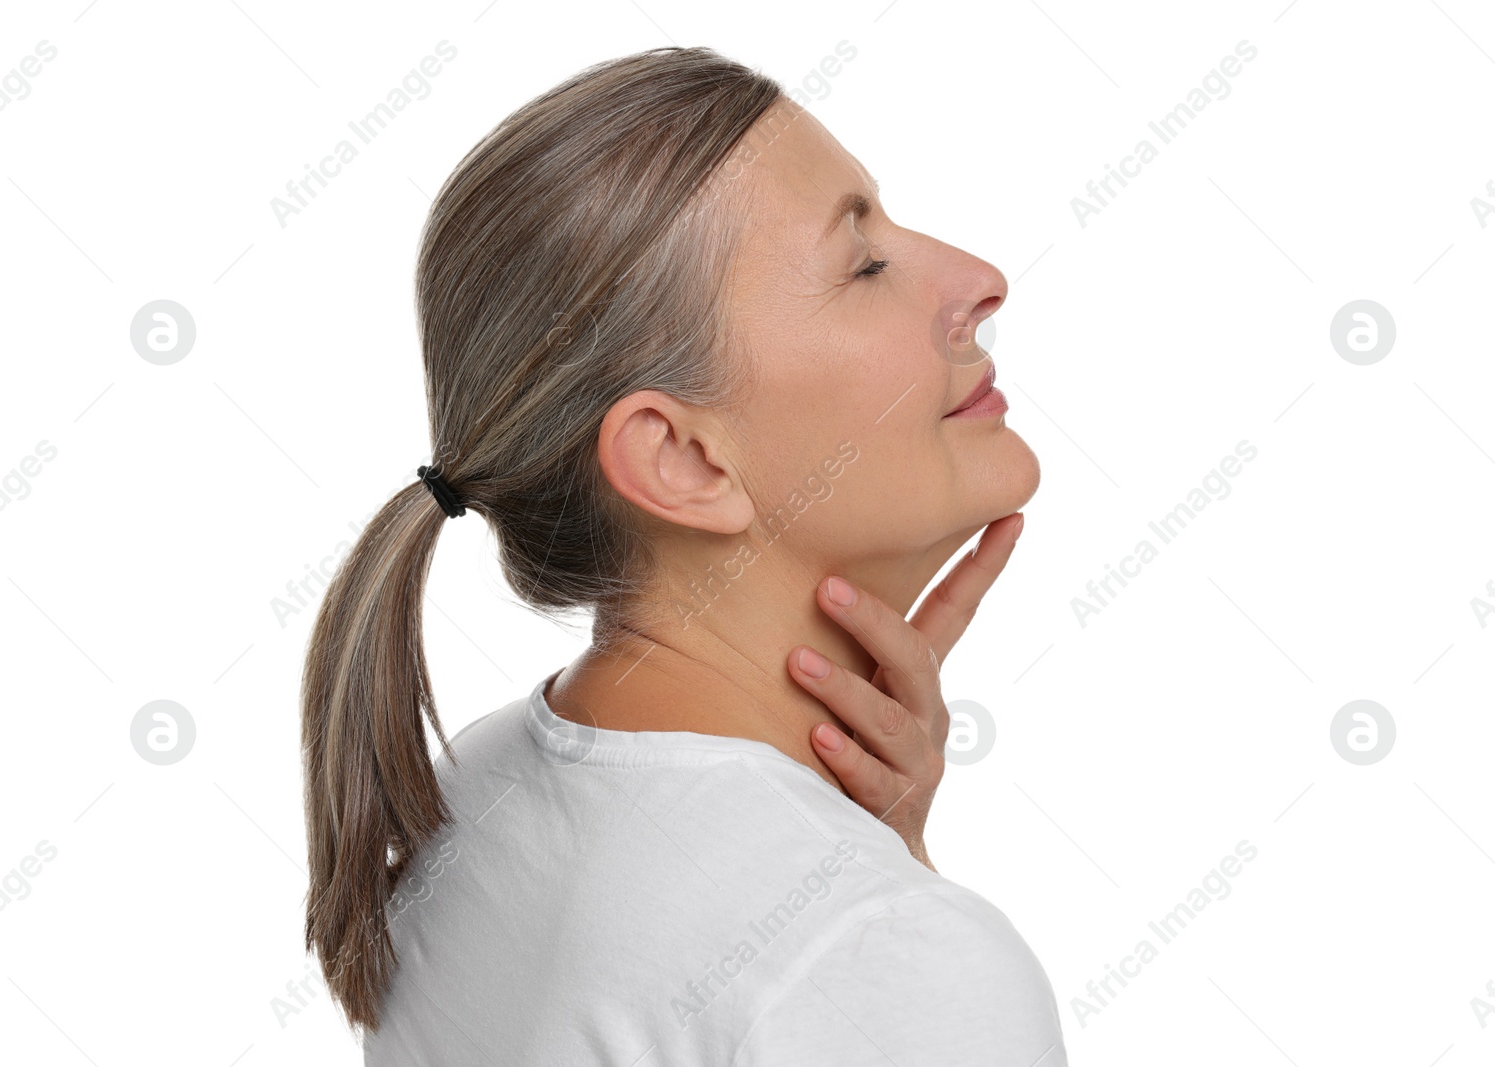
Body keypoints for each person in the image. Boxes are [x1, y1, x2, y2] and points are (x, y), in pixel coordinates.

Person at [299, 44, 1065, 1065]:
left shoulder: (474, 793)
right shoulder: (873, 951)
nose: (978, 280)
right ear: (685, 460)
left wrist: (875, 848)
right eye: (865, 265)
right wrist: (872, 894)